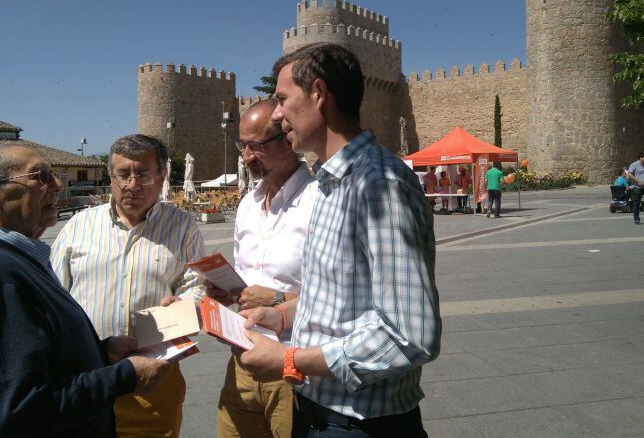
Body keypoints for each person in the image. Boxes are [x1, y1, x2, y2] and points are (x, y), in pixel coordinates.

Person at [239, 42, 441, 437]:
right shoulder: (331, 185)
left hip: (361, 424)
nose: (277, 116)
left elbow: (410, 336)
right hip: (318, 413)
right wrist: (279, 316)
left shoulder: (379, 184)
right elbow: (337, 300)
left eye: (282, 100)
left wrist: (290, 359)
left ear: (318, 93)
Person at [0, 143, 171, 437]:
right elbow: (20, 410)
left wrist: (99, 352)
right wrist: (123, 377)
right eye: (41, 177)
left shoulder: (8, 259)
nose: (58, 185)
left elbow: (31, 357)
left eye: (54, 175)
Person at [51, 134, 206, 437]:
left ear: (162, 177)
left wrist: (186, 305)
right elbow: (55, 295)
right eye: (123, 174)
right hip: (86, 375)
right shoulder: (79, 226)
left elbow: (197, 285)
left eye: (143, 174)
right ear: (111, 176)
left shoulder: (182, 226)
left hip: (153, 376)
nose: (131, 184)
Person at [207, 98, 316, 437]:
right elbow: (244, 279)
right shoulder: (247, 205)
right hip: (240, 359)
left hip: (294, 364)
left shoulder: (318, 202)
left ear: (288, 139)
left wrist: (277, 298)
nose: (245, 157)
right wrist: (225, 291)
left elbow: (340, 294)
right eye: (242, 146)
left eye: (255, 146)